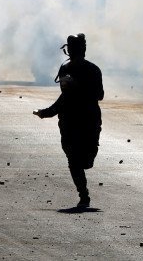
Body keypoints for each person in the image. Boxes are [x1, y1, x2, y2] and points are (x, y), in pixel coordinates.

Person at [33, 34, 104, 209]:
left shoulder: (90, 70)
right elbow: (67, 98)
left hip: (85, 119)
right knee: (75, 160)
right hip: (74, 121)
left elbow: (97, 95)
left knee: (84, 160)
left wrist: (47, 112)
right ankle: (84, 195)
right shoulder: (74, 69)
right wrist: (46, 112)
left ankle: (83, 191)